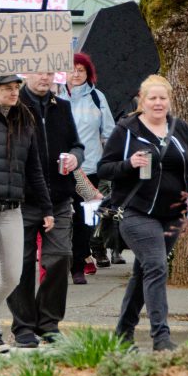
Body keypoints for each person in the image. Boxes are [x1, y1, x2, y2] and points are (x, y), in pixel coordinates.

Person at [98, 74, 188, 351]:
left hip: (173, 216)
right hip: (136, 213)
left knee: (143, 272)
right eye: (152, 98)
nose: (158, 103)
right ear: (141, 101)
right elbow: (104, 168)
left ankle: (122, 336)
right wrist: (128, 164)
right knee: (157, 267)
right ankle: (161, 338)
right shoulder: (127, 129)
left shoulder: (179, 128)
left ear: (169, 101)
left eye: (163, 98)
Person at [0, 75, 54, 353]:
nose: (14, 93)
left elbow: (35, 170)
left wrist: (47, 208)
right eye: (7, 88)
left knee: (13, 276)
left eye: (17, 88)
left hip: (13, 209)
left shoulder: (25, 121)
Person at [7, 71, 85, 348]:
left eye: (49, 72)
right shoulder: (14, 106)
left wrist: (75, 157)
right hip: (24, 200)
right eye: (39, 72)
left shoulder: (61, 107)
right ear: (26, 74)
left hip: (60, 198)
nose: (44, 77)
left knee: (60, 257)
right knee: (23, 265)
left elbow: (77, 144)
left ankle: (48, 321)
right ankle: (23, 325)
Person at [58, 53, 115, 283]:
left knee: (84, 220)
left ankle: (79, 265)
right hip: (62, 168)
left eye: (81, 70)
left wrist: (108, 159)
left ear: (88, 73)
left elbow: (109, 131)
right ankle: (65, 260)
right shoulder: (57, 97)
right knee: (63, 217)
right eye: (73, 69)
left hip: (89, 167)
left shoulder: (97, 97)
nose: (77, 73)